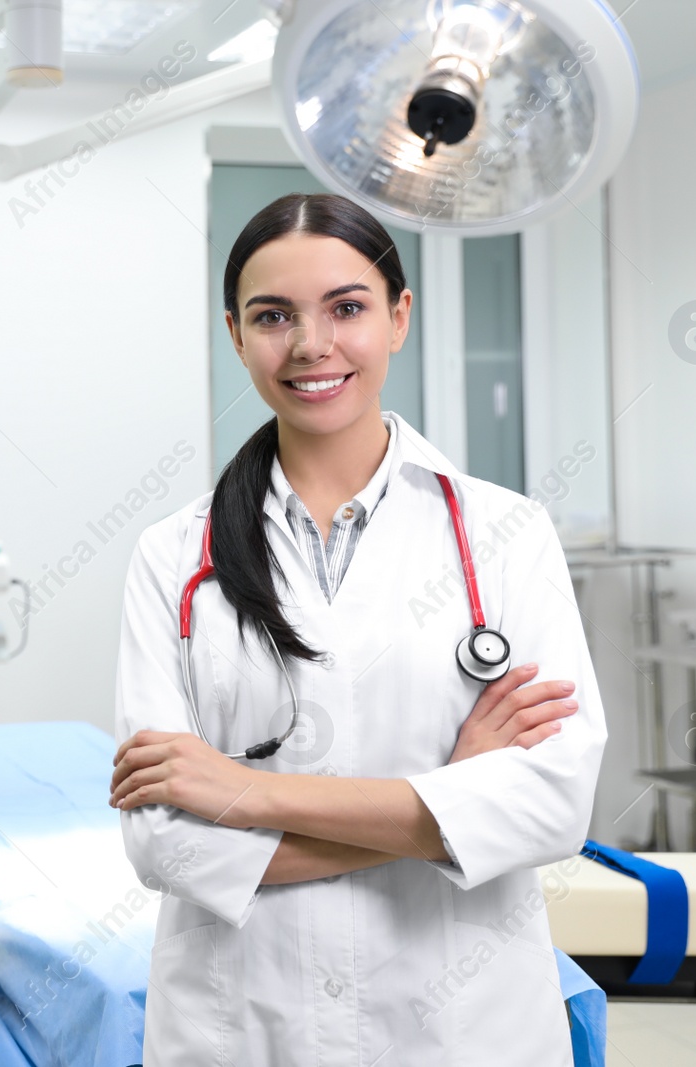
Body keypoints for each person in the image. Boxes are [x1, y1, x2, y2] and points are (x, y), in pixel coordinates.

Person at [109, 192, 607, 1064]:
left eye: (347, 307)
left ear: (399, 316)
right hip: (247, 1026)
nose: (312, 345)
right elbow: (165, 847)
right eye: (274, 316)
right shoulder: (172, 558)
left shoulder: (507, 534)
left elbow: (552, 805)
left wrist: (246, 792)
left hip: (460, 1027)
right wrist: (445, 800)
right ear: (235, 334)